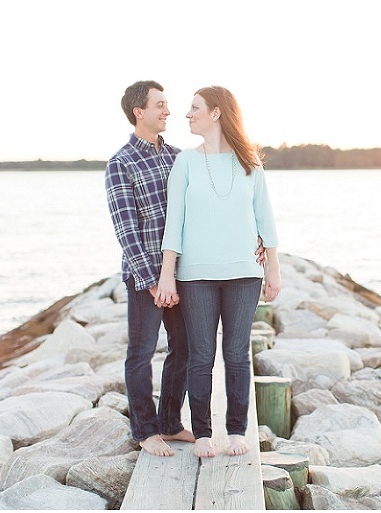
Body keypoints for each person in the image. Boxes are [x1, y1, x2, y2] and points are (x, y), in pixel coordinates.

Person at [157, 86, 282, 458]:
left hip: (244, 272)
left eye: (194, 108)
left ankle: (237, 431)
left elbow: (266, 219)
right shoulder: (186, 163)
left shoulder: (250, 163)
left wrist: (274, 269)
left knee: (236, 352)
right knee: (200, 354)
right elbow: (173, 223)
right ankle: (203, 435)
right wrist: (168, 274)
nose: (187, 114)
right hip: (195, 273)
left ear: (216, 113)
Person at [104, 80, 195, 457]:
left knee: (185, 348)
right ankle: (145, 429)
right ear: (139, 112)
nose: (168, 111)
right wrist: (153, 281)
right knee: (141, 352)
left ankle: (170, 422)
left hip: (182, 271)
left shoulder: (178, 157)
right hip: (145, 276)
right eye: (160, 105)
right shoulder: (121, 162)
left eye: (167, 104)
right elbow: (126, 230)